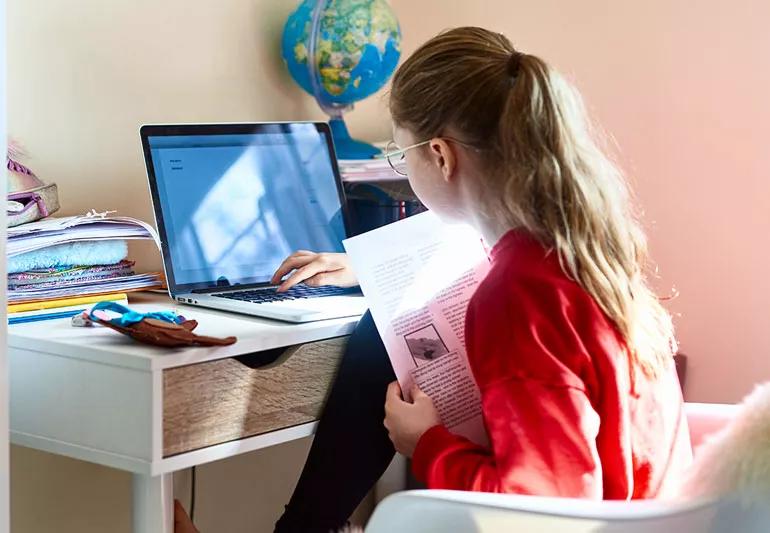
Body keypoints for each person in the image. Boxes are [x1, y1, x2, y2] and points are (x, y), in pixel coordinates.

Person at [176, 26, 692, 533]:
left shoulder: (516, 297)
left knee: (377, 344)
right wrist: (369, 270)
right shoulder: (580, 253)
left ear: (441, 156)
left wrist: (426, 443)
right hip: (649, 517)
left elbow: (543, 512)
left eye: (401, 156)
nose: (403, 168)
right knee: (382, 335)